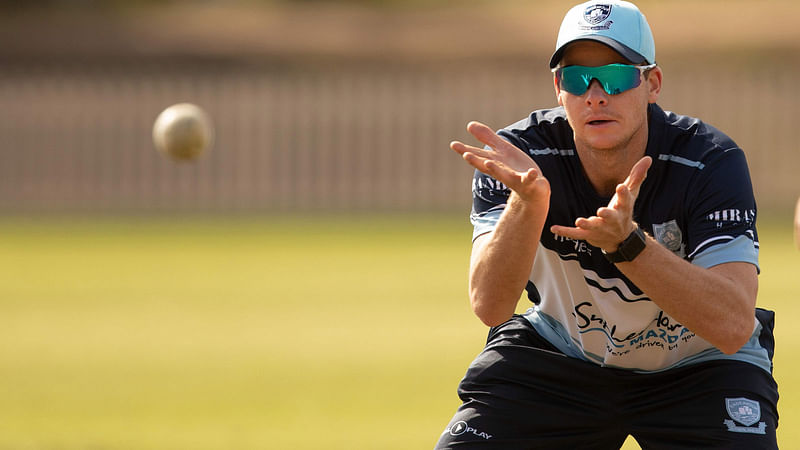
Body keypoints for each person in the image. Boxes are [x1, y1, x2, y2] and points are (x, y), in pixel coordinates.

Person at [435, 1, 778, 448]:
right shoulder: (519, 159)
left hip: (701, 365)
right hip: (563, 351)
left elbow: (733, 325)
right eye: (577, 79)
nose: (595, 95)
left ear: (651, 83)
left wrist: (628, 245)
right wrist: (528, 203)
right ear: (559, 88)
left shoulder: (710, 161)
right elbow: (491, 306)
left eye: (615, 76)